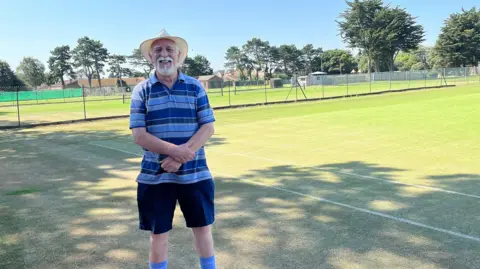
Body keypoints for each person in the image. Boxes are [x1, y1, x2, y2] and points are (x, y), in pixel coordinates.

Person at [129, 29, 217, 269]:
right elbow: (139, 135)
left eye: (170, 50)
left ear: (179, 56)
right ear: (150, 57)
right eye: (158, 50)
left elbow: (208, 127)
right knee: (158, 233)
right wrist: (176, 152)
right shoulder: (141, 90)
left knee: (202, 228)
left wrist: (179, 158)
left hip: (195, 173)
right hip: (155, 176)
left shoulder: (195, 87)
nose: (164, 54)